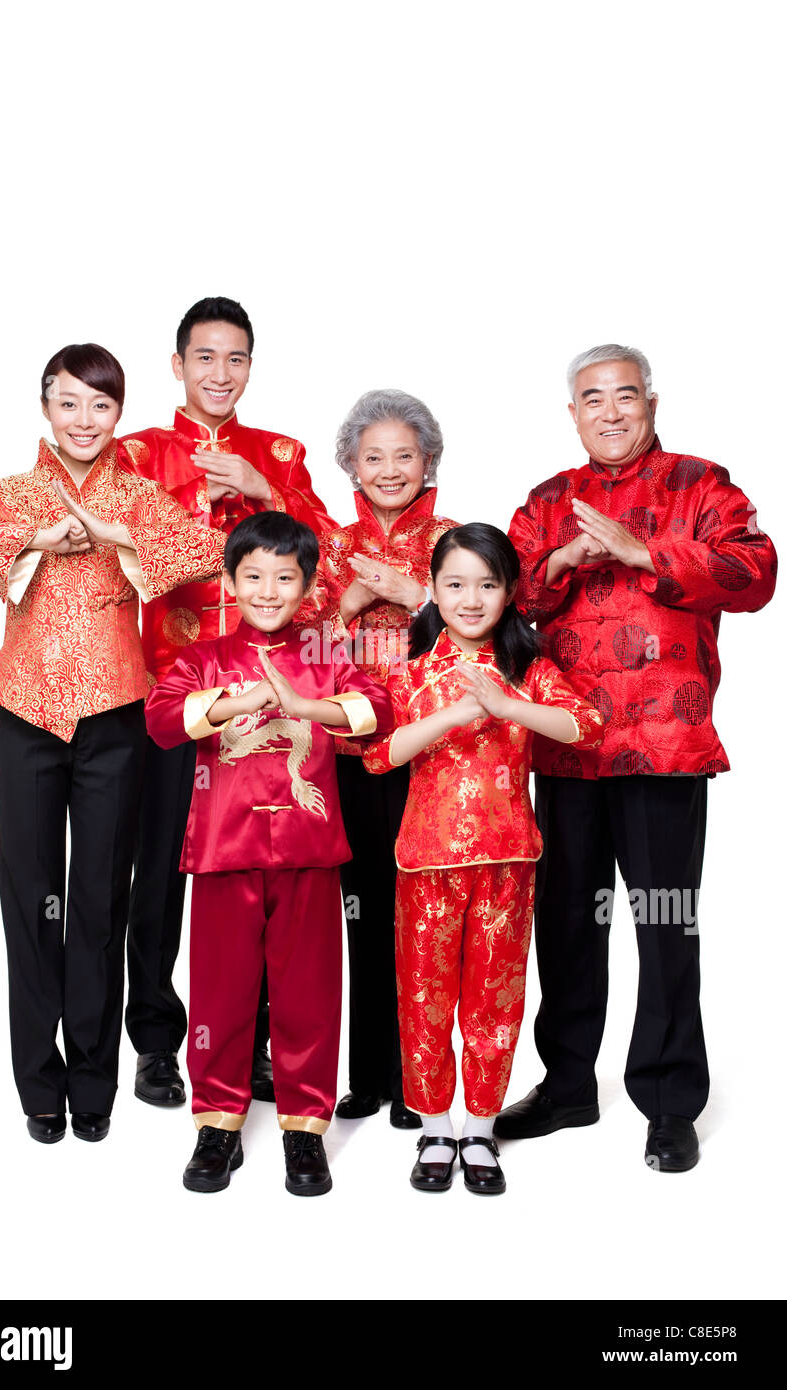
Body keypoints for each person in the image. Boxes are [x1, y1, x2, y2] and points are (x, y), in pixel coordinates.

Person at [0, 343, 226, 1143]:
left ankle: (94, 1080)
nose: (84, 420)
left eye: (100, 405)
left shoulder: (136, 493)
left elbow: (207, 551)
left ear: (118, 413)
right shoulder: (14, 491)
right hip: (24, 717)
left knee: (99, 900)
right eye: (68, 403)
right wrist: (32, 542)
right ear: (45, 408)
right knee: (32, 903)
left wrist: (112, 532)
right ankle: (39, 1084)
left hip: (115, 721)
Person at [500, 343, 777, 1171]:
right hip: (569, 748)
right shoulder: (548, 501)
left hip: (666, 748)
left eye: (625, 396)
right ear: (573, 413)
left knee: (663, 925)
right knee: (569, 924)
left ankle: (667, 1101)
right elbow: (500, 598)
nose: (610, 412)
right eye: (592, 399)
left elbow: (756, 571)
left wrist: (642, 552)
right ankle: (568, 1085)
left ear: (651, 403)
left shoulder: (701, 485)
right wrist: (560, 564)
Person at [119, 296, 337, 1109]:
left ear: (251, 366)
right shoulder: (137, 453)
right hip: (168, 694)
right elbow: (120, 553)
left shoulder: (281, 450)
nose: (221, 373)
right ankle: (156, 1042)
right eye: (204, 357)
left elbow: (329, 557)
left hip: (272, 699)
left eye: (236, 358)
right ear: (177, 365)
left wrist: (263, 484)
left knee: (263, 876)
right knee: (162, 876)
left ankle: (258, 1051)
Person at [144, 511, 393, 1196]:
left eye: (285, 577)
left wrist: (301, 705)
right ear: (230, 580)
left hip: (310, 849)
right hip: (225, 848)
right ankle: (218, 1124)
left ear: (308, 585)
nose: (268, 590)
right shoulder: (206, 657)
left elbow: (376, 709)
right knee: (220, 995)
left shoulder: (325, 655)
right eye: (253, 576)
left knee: (308, 995)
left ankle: (304, 1129)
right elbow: (163, 719)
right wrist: (237, 700)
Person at [363, 525, 604, 1193]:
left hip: (508, 862)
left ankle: (479, 1128)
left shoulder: (528, 669)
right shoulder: (409, 673)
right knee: (424, 999)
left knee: (495, 1002)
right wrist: (452, 715)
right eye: (456, 584)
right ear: (433, 592)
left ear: (509, 594)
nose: (472, 599)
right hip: (425, 862)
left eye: (488, 584)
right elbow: (380, 754)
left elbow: (586, 726)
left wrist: (505, 704)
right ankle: (435, 1125)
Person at [314, 389, 458, 1129]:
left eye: (405, 455)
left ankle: (417, 1081)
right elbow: (299, 647)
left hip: (435, 752)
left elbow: (484, 636)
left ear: (427, 459)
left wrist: (415, 595)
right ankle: (367, 1076)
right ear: (352, 466)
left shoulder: (456, 543)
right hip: (350, 748)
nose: (391, 469)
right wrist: (348, 604)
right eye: (375, 457)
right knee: (362, 911)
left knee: (422, 917)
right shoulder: (332, 546)